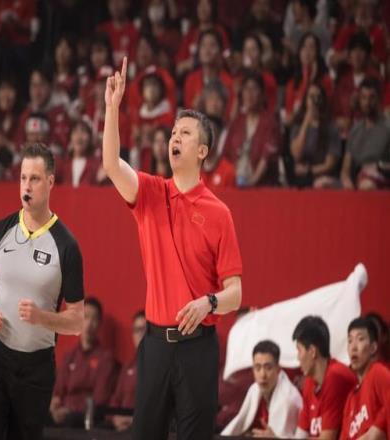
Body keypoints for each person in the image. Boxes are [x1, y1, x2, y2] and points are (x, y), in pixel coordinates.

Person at [102, 57, 242, 440]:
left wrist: (208, 303)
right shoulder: (151, 193)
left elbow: (235, 293)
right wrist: (112, 109)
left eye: (185, 133)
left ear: (203, 151)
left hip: (199, 349)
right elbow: (111, 164)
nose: (174, 138)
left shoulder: (219, 213)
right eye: (173, 133)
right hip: (155, 347)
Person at [0, 143, 85, 440]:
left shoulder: (66, 246)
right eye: (23, 178)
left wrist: (42, 317)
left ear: (50, 182)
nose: (26, 186)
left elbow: (77, 320)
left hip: (36, 369)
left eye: (34, 178)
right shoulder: (1, 230)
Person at [49, 297, 117, 427]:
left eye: (94, 319)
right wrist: (55, 405)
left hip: (84, 416)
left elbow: (99, 399)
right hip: (63, 413)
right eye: (85, 317)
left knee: (70, 420)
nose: (89, 324)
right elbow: (58, 391)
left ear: (99, 324)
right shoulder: (69, 356)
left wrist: (69, 410)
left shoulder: (105, 358)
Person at [293, 316, 357, 439]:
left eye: (299, 350)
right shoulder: (310, 381)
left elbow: (327, 438)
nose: (298, 358)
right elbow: (300, 435)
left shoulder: (335, 377)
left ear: (312, 351)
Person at [221, 340, 302, 437]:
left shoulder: (288, 399)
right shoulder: (254, 389)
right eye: (258, 368)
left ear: (278, 369)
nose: (263, 375)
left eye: (268, 368)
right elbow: (240, 424)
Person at [223, 72, 281, 187]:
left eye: (254, 89)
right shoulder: (237, 122)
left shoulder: (270, 122)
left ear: (262, 95)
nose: (249, 94)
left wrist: (252, 182)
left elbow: (267, 156)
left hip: (260, 185)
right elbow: (226, 155)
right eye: (246, 89)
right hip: (235, 182)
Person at [340, 317, 390, 440]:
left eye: (360, 339)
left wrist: (375, 431)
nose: (353, 347)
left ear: (373, 348)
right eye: (350, 341)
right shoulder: (350, 399)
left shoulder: (378, 373)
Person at [289, 82, 342, 188]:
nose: (315, 101)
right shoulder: (298, 126)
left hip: (323, 177)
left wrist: (309, 171)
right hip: (301, 178)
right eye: (311, 97)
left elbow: (329, 165)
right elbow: (296, 154)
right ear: (305, 100)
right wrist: (306, 121)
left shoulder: (330, 128)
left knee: (320, 183)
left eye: (318, 97)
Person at [340, 78, 390, 190]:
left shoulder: (388, 127)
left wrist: (378, 168)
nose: (367, 102)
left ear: (379, 99)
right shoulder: (354, 131)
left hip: (383, 182)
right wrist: (346, 180)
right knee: (323, 184)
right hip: (359, 182)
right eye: (363, 98)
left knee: (367, 184)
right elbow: (345, 170)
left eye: (372, 97)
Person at [110, 310, 147, 432]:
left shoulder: (160, 367)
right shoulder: (127, 366)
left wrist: (133, 421)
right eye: (136, 330)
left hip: (143, 427)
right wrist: (115, 418)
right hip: (121, 426)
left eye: (143, 329)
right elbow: (116, 399)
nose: (140, 334)